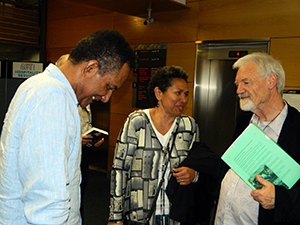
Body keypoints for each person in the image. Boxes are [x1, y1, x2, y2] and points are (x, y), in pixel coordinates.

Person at [0, 29, 135, 224]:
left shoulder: (39, 86)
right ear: (90, 68)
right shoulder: (52, 97)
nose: (105, 98)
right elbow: (47, 200)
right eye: (109, 86)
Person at [108, 66, 201, 225]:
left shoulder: (189, 126)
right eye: (178, 93)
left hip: (176, 215)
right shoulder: (137, 122)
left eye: (186, 94)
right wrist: (115, 216)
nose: (184, 99)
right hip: (139, 215)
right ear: (159, 93)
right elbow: (120, 170)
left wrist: (194, 174)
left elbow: (199, 163)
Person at [214, 52, 300, 225]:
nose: (238, 90)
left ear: (271, 81)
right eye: (237, 84)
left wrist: (280, 199)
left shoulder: (297, 129)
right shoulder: (244, 120)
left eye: (246, 82)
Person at [56, 53, 105, 221]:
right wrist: (77, 138)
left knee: (80, 189)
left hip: (83, 151)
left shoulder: (83, 98)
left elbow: (86, 123)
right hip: (66, 153)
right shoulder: (56, 99)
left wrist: (94, 139)